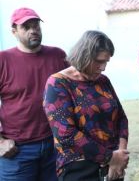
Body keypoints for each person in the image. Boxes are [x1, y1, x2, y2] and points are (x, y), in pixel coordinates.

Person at [43, 30, 129, 181]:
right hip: (79, 169)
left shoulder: (103, 80)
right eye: (99, 61)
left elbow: (121, 117)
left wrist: (120, 155)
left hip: (112, 166)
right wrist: (110, 157)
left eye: (106, 62)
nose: (103, 68)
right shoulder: (58, 83)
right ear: (84, 56)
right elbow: (66, 135)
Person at [0, 7, 68, 180]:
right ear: (14, 31)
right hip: (17, 151)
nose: (33, 31)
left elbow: (73, 93)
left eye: (36, 25)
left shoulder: (58, 56)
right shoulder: (3, 60)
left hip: (56, 146)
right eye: (26, 27)